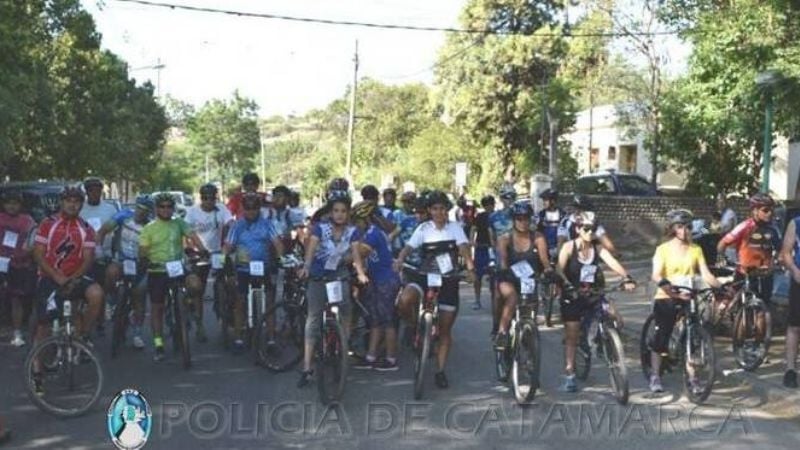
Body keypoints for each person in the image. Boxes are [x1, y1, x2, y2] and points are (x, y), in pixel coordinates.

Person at [394, 190, 475, 389]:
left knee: (445, 330)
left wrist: (471, 268)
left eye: (442, 209)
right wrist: (400, 259)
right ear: (429, 211)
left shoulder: (455, 228)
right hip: (424, 276)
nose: (439, 213)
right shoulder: (423, 228)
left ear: (447, 211)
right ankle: (415, 326)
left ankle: (440, 370)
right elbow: (409, 247)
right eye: (435, 209)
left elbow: (464, 248)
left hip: (448, 278)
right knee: (404, 301)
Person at [31, 186, 105, 395]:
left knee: (97, 294)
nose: (73, 205)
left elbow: (88, 257)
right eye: (68, 201)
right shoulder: (48, 224)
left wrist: (74, 279)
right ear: (62, 202)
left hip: (75, 276)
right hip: (50, 276)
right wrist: (57, 277)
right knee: (44, 322)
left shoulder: (86, 227)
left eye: (77, 201)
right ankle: (37, 371)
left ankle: (81, 335)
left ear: (81, 204)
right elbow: (38, 254)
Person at [556, 211, 635, 392]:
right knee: (572, 335)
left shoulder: (597, 248)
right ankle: (570, 374)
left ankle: (605, 340)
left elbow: (612, 262)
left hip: (593, 292)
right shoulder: (569, 247)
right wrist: (567, 285)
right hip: (573, 295)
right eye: (586, 229)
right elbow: (559, 269)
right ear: (577, 229)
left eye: (593, 229)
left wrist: (627, 277)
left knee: (615, 317)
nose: (590, 233)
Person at [649, 209, 723, 393]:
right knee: (662, 336)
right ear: (672, 228)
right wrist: (666, 284)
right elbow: (656, 274)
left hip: (688, 295)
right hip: (667, 296)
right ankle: (655, 375)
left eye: (687, 227)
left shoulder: (695, 249)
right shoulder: (663, 249)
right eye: (679, 227)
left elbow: (706, 274)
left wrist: (721, 286)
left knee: (693, 334)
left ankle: (693, 377)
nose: (684, 230)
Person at [296, 189, 360, 387]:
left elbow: (356, 254)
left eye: (343, 211)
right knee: (313, 318)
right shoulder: (319, 229)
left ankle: (343, 343)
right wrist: (306, 267)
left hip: (338, 275)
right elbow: (311, 249)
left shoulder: (353, 231)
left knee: (346, 309)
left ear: (348, 213)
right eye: (336, 210)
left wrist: (361, 272)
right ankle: (307, 367)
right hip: (317, 276)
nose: (340, 214)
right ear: (330, 212)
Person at [139, 193, 209, 362]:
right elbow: (143, 249)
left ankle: (189, 306)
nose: (165, 210)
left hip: (177, 267)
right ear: (156, 209)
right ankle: (158, 344)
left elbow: (193, 236)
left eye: (169, 206)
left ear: (173, 208)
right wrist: (145, 260)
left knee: (196, 284)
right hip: (157, 270)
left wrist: (202, 250)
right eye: (161, 206)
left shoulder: (179, 223)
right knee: (157, 308)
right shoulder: (149, 227)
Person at [223, 192, 284, 354]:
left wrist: (281, 257)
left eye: (254, 208)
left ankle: (271, 339)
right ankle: (238, 338)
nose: (251, 212)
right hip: (243, 268)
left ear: (259, 209)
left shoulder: (267, 224)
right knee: (240, 301)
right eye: (248, 208)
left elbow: (277, 243)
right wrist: (223, 258)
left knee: (270, 302)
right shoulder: (237, 226)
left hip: (264, 267)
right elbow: (228, 245)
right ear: (243, 209)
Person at [716, 192, 780, 344]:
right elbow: (723, 243)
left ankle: (758, 347)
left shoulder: (773, 229)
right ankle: (735, 339)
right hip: (744, 272)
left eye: (771, 210)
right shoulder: (744, 227)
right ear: (754, 210)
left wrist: (778, 260)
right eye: (765, 210)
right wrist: (721, 258)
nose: (769, 214)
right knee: (740, 309)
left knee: (761, 311)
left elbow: (781, 249)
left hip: (765, 274)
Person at [95, 195, 153, 349]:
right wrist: (99, 250)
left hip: (140, 264)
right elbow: (102, 231)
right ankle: (112, 301)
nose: (141, 212)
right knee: (111, 273)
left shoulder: (151, 225)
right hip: (121, 259)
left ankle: (137, 333)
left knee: (139, 295)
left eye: (145, 210)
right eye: (139, 208)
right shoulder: (124, 215)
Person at [351, 201, 402, 371]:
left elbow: (359, 253)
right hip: (376, 279)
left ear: (366, 219)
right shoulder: (371, 232)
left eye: (357, 220)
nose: (355, 224)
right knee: (375, 320)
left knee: (387, 320)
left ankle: (391, 359)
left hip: (386, 280)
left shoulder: (373, 234)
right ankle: (371, 356)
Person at [494, 201, 551, 350]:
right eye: (519, 218)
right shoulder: (504, 238)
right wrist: (503, 270)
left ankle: (529, 354)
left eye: (526, 218)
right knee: (512, 296)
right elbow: (503, 260)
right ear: (513, 220)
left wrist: (549, 271)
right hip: (509, 278)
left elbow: (545, 261)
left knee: (530, 311)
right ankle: (501, 332)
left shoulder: (538, 237)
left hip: (530, 280)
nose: (523, 222)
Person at [184, 183, 233, 343]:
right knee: (198, 288)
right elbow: (186, 234)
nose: (209, 201)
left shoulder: (221, 209)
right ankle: (199, 324)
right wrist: (190, 250)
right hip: (200, 254)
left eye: (212, 198)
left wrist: (228, 239)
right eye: (205, 198)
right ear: (201, 198)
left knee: (228, 281)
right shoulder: (192, 212)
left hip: (217, 252)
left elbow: (230, 224)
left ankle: (225, 308)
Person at [79, 177, 118, 336]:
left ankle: (102, 315)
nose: (94, 193)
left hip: (105, 254)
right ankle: (88, 321)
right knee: (88, 291)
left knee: (105, 285)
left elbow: (118, 231)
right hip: (85, 256)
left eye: (97, 190)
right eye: (91, 190)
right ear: (87, 192)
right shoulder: (81, 209)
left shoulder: (110, 209)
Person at [0, 190, 37, 347]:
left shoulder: (28, 221)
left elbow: (33, 241)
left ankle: (18, 333)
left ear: (20, 205)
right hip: (1, 262)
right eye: (8, 203)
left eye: (15, 203)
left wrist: (25, 253)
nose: (12, 206)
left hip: (21, 264)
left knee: (19, 299)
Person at [779, 211, 800, 388]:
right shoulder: (796, 223)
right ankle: (790, 369)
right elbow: (786, 252)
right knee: (795, 325)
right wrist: (794, 270)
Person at [471, 195, 496, 311]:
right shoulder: (480, 216)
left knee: (494, 276)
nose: (490, 207)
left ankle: (494, 300)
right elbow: (473, 228)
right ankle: (477, 299)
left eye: (491, 204)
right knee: (478, 276)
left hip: (493, 248)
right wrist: (472, 241)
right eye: (488, 205)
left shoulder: (497, 216)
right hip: (481, 248)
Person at [536, 189, 565, 262]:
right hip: (544, 249)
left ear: (553, 201)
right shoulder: (541, 215)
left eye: (545, 200)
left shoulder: (563, 215)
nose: (543, 203)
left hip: (560, 249)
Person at [389, 191, 416, 257]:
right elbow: (391, 230)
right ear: (404, 203)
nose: (410, 205)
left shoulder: (415, 216)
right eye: (408, 202)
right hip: (397, 246)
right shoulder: (396, 213)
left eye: (412, 203)